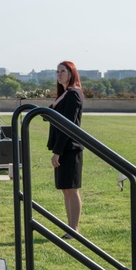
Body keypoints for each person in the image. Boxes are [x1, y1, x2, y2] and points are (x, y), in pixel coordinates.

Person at [48, 60, 84, 233]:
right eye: (57, 71)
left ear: (71, 74)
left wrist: (57, 152)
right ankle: (70, 227)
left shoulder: (73, 94)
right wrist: (60, 97)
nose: (59, 74)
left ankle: (74, 228)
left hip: (70, 148)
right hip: (63, 147)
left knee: (72, 189)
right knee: (66, 190)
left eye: (63, 71)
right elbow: (48, 115)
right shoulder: (65, 94)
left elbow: (67, 125)